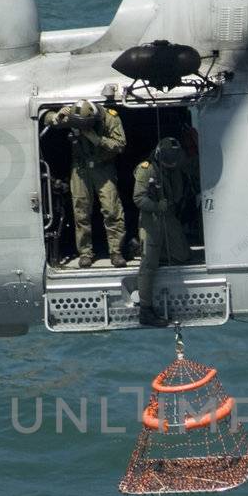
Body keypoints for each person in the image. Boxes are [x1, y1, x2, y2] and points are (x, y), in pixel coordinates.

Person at [44, 100, 127, 267]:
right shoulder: (75, 116)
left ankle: (116, 251)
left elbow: (120, 145)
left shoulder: (110, 119)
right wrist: (58, 116)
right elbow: (46, 118)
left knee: (111, 209)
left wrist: (97, 139)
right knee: (81, 210)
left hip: (103, 167)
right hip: (80, 168)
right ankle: (85, 253)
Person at [132, 137, 194, 327]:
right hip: (152, 219)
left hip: (168, 218)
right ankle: (145, 310)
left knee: (183, 255)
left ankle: (158, 252)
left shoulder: (174, 168)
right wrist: (157, 205)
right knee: (149, 265)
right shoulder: (146, 169)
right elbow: (138, 199)